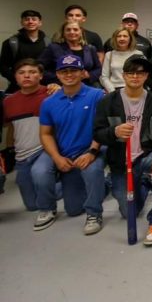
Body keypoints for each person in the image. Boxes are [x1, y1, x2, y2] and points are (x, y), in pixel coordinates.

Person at [93, 54, 152, 246]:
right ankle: (143, 183)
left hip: (146, 155)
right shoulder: (108, 102)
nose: (135, 77)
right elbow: (97, 133)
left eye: (140, 73)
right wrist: (114, 131)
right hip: (121, 160)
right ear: (123, 75)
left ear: (146, 76)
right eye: (131, 73)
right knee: (129, 211)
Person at [32, 54, 105, 234]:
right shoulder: (48, 102)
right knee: (39, 170)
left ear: (82, 73)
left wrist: (91, 152)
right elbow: (45, 134)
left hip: (89, 148)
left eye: (74, 70)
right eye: (64, 71)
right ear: (57, 74)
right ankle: (47, 208)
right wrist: (56, 157)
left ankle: (94, 213)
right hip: (61, 149)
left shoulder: (97, 95)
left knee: (77, 204)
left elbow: (103, 128)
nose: (69, 74)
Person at [2, 59, 51, 211]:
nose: (27, 76)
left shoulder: (51, 94)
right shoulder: (8, 101)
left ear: (41, 76)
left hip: (45, 150)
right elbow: (11, 127)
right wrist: (10, 149)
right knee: (31, 205)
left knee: (40, 173)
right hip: (22, 155)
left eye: (32, 72)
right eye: (21, 73)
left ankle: (67, 185)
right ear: (15, 77)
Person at [39, 21, 101, 88]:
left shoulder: (90, 49)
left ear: (81, 31)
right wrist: (60, 77)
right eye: (68, 30)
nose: (72, 32)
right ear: (63, 32)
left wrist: (89, 75)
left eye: (75, 29)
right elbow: (39, 67)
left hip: (87, 85)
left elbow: (98, 68)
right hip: (61, 86)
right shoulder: (54, 48)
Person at [0, 10, 49, 93]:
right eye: (27, 19)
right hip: (17, 88)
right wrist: (16, 79)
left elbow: (51, 67)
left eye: (34, 19)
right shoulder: (10, 43)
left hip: (42, 88)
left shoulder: (48, 43)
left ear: (40, 23)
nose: (30, 22)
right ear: (22, 22)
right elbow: (3, 66)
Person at [100, 28, 143, 93]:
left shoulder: (138, 54)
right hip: (114, 89)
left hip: (134, 89)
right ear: (115, 39)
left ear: (130, 39)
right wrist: (112, 91)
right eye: (119, 36)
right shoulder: (109, 55)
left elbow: (142, 75)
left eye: (125, 36)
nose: (122, 38)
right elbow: (104, 77)